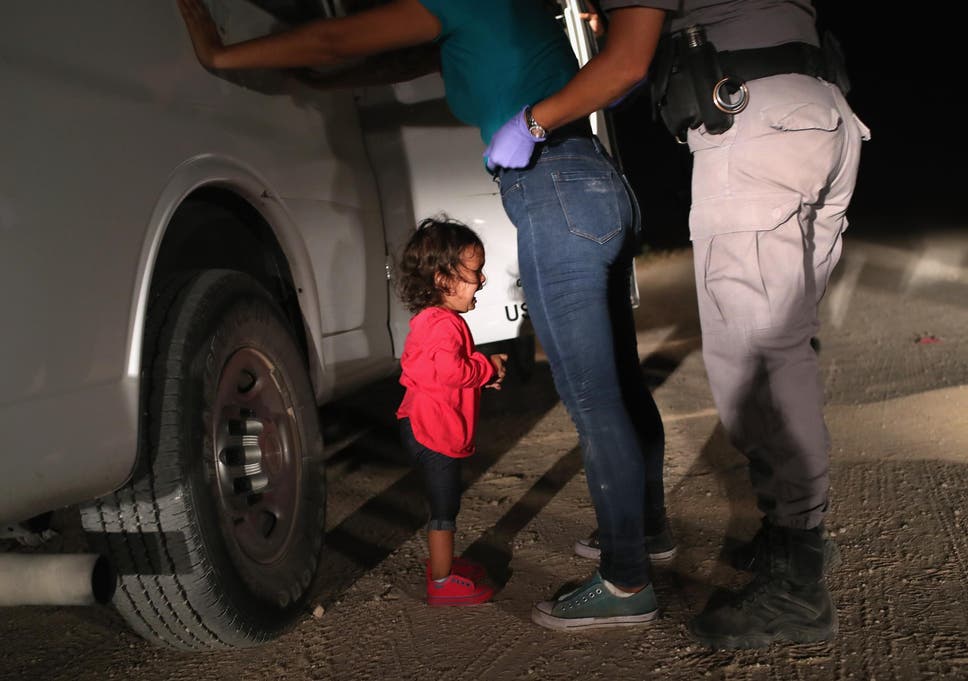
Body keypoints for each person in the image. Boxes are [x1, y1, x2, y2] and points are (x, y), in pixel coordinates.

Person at [177, 0, 672, 630]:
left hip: (551, 190)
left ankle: (627, 579)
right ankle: (646, 531)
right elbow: (387, 60)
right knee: (621, 387)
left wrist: (220, 54)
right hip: (594, 183)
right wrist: (318, 81)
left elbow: (335, 39)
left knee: (593, 400)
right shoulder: (500, 12)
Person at [487, 0, 869, 649]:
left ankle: (797, 584)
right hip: (822, 114)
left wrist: (532, 120)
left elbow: (627, 62)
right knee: (787, 350)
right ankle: (791, 541)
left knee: (755, 370)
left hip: (755, 128)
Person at [394, 217, 505, 606]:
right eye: (475, 273)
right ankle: (441, 581)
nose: (483, 281)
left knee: (443, 504)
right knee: (444, 508)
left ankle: (445, 565)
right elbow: (449, 371)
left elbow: (438, 371)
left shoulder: (432, 321)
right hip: (434, 431)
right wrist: (485, 368)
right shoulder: (444, 325)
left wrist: (480, 373)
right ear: (444, 280)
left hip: (420, 424)